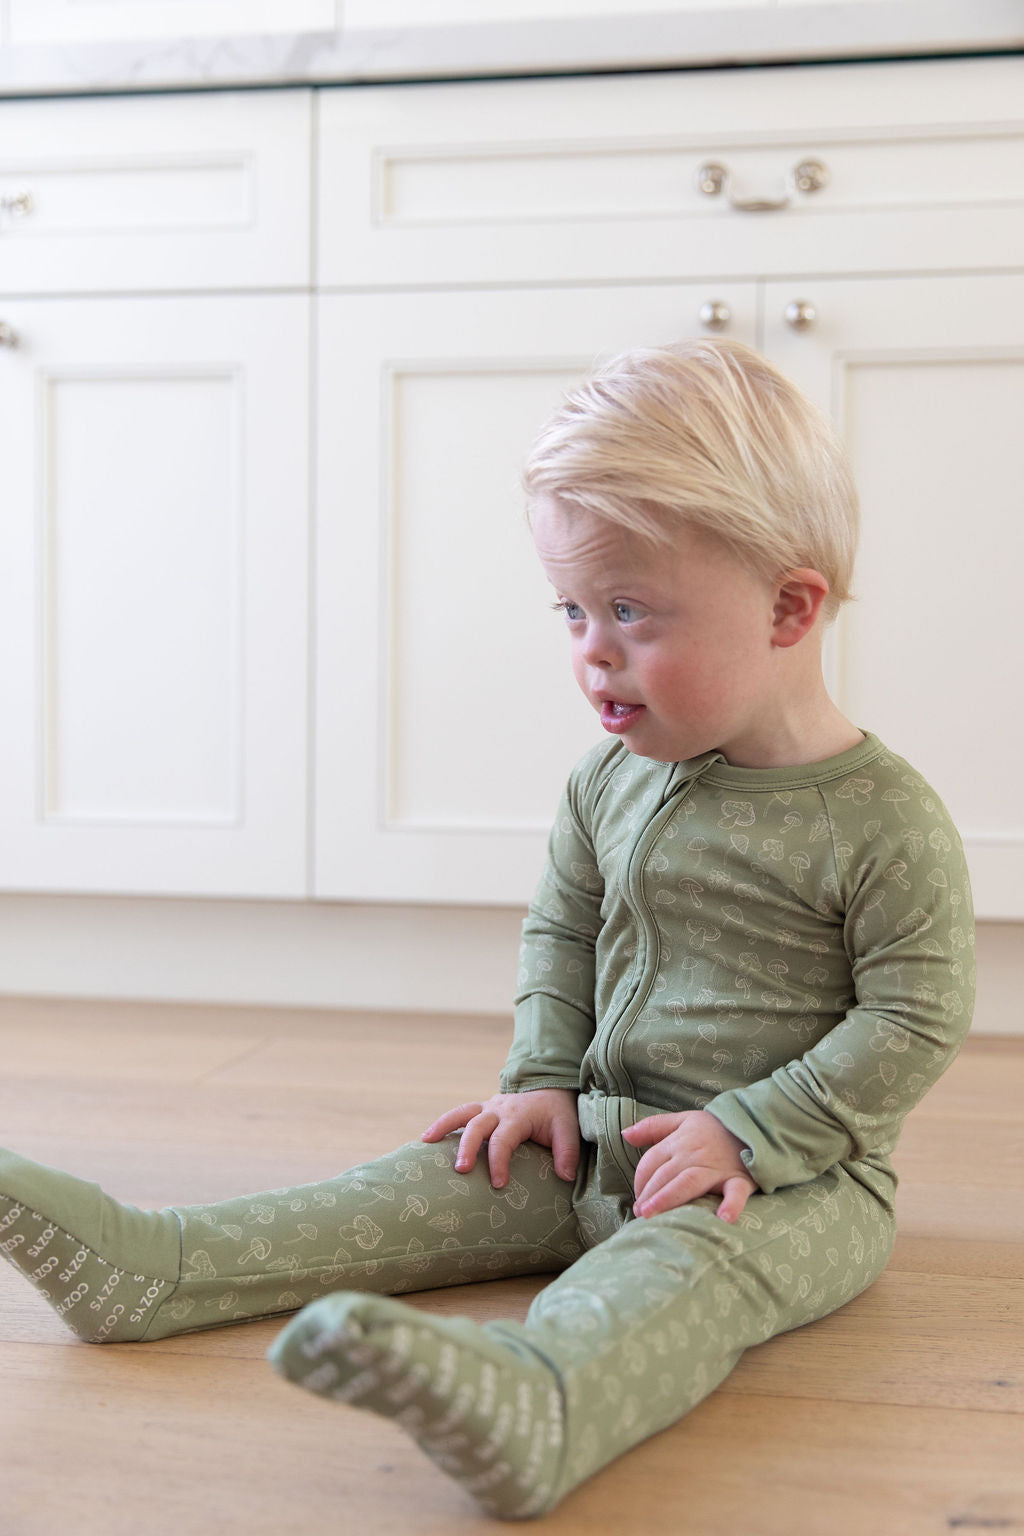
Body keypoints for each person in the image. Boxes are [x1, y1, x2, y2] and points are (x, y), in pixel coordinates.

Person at [0, 339, 974, 1520]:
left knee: (680, 1278)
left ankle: (543, 1393)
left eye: (628, 611)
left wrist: (748, 1135)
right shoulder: (604, 780)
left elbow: (915, 1016)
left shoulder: (881, 820)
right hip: (592, 1134)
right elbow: (561, 934)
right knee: (412, 1185)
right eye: (570, 609)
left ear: (788, 606)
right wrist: (539, 1081)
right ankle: (158, 1265)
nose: (590, 653)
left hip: (786, 1186)